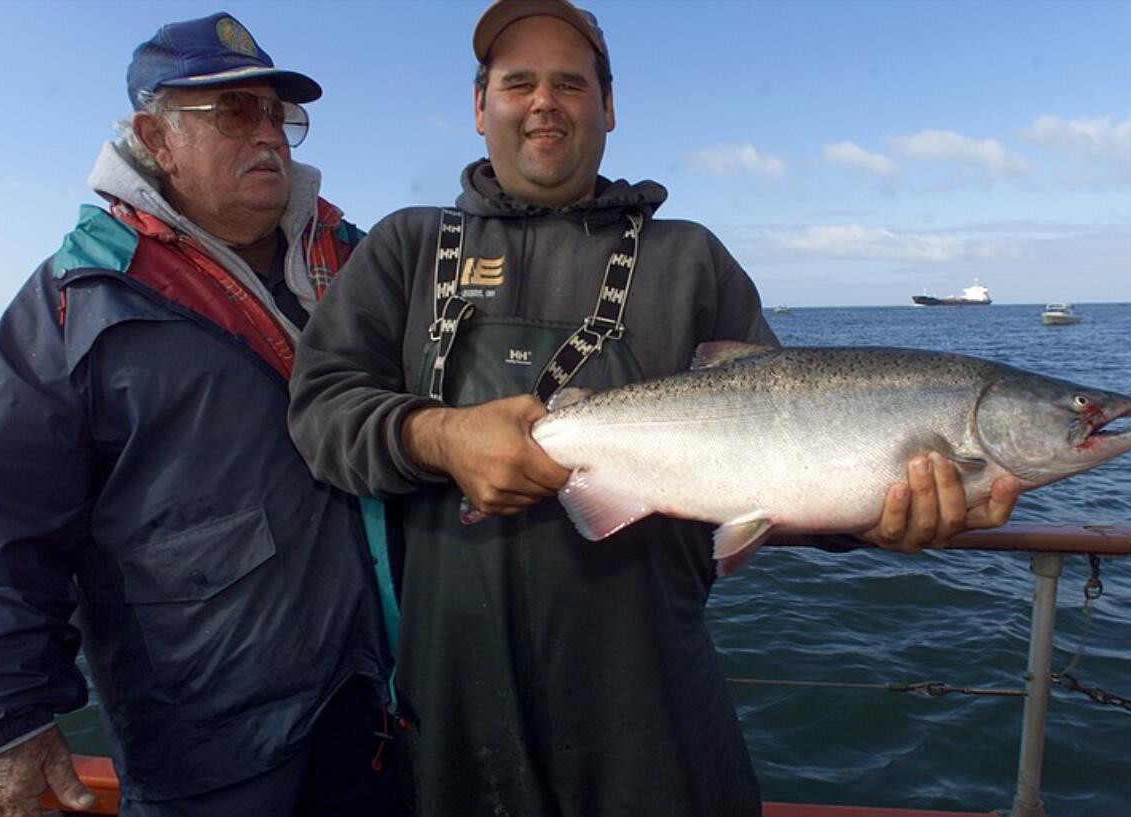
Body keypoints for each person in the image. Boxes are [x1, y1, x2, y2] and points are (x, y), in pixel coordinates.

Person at [286, 1, 1022, 815]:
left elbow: (796, 448)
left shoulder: (690, 260)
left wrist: (874, 517)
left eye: (571, 82)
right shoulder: (407, 246)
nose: (544, 101)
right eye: (517, 81)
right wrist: (438, 435)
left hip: (652, 703)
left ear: (608, 106)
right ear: (479, 106)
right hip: (452, 701)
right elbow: (320, 411)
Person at [0, 13, 402, 817]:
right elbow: (3, 519)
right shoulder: (77, 302)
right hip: (207, 736)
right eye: (235, 113)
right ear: (156, 137)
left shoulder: (355, 260)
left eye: (277, 114)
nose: (270, 135)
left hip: (374, 697)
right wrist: (7, 717)